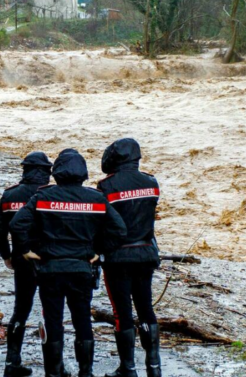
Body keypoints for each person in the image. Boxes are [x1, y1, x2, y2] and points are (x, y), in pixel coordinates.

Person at [10, 149, 127, 377]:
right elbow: (119, 230)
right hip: (81, 269)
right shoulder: (95, 198)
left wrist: (25, 250)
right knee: (82, 319)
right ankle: (86, 372)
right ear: (83, 173)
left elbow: (16, 225)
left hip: (50, 269)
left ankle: (54, 373)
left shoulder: (43, 197)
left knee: (53, 320)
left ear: (57, 172)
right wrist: (100, 251)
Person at [97, 139, 162, 377]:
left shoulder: (106, 187)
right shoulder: (152, 183)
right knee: (146, 308)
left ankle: (128, 367)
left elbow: (104, 225)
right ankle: (154, 367)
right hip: (146, 252)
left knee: (122, 312)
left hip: (118, 258)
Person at [0, 152, 53, 377]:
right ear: (47, 171)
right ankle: (54, 366)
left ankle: (12, 362)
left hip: (21, 260)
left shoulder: (10, 195)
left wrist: (6, 255)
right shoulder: (53, 195)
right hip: (49, 259)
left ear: (24, 170)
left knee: (20, 311)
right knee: (51, 312)